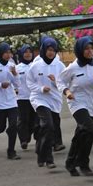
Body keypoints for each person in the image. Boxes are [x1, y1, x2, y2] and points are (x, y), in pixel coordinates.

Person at [58, 36, 93, 176]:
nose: (90, 51)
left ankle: (70, 162)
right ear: (80, 50)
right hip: (76, 102)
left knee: (81, 134)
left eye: (91, 48)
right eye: (86, 49)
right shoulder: (73, 67)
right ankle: (84, 163)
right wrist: (66, 91)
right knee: (91, 131)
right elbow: (60, 80)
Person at [26, 38, 65, 169]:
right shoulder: (35, 66)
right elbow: (30, 83)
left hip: (55, 100)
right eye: (48, 50)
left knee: (48, 129)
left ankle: (39, 149)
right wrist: (41, 89)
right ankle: (49, 159)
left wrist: (55, 82)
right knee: (48, 125)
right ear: (43, 50)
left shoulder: (60, 66)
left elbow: (65, 83)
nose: (51, 53)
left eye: (53, 50)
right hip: (39, 99)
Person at [15, 45, 39, 150]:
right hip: (22, 98)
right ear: (21, 54)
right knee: (23, 119)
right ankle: (23, 140)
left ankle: (34, 136)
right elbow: (12, 81)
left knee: (35, 120)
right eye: (26, 52)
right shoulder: (17, 68)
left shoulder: (36, 66)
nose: (28, 54)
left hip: (36, 97)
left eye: (30, 52)